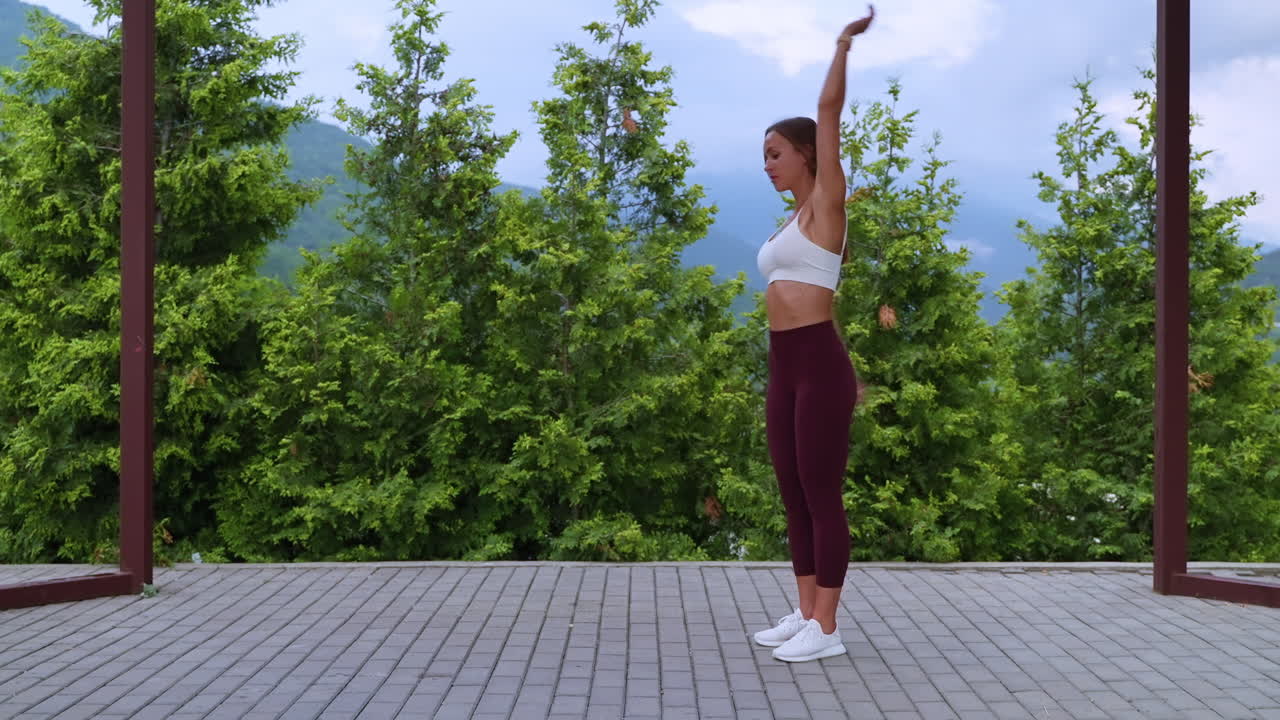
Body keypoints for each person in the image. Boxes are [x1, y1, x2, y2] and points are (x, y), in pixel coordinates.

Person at [751, 5, 874, 663]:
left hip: (820, 364)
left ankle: (827, 629)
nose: (767, 165)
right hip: (784, 365)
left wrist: (841, 48)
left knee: (821, 492)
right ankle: (804, 613)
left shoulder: (827, 203)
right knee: (791, 489)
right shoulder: (790, 220)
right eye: (763, 157)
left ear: (804, 154)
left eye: (774, 154)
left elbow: (828, 114)